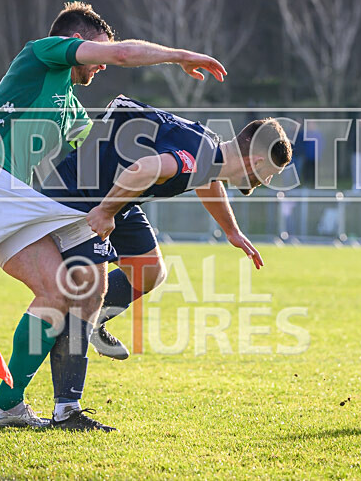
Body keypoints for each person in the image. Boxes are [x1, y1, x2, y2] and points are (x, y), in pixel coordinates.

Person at [0, 1, 228, 433]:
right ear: (76, 43)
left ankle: (6, 404)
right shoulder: (42, 53)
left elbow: (102, 147)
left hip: (14, 198)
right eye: (97, 54)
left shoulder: (69, 106)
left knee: (61, 288)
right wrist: (180, 55)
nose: (102, 66)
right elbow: (119, 55)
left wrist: (171, 159)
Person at [35, 95, 291, 430]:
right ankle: (63, 409)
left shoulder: (212, 151)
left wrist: (231, 231)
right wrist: (106, 210)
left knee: (150, 271)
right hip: (84, 191)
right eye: (268, 174)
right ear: (256, 161)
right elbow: (145, 169)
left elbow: (206, 179)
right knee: (86, 294)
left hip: (116, 192)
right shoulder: (200, 156)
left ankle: (94, 322)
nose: (266, 182)